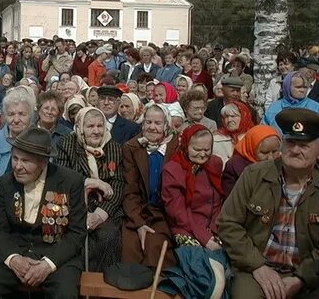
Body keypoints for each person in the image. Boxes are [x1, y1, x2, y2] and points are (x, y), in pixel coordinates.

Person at [218, 108, 319, 298]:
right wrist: (258, 266)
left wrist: (301, 278)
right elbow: (228, 223)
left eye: (304, 145)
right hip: (256, 267)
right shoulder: (254, 175)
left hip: (309, 273)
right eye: (290, 142)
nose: (295, 150)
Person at [0, 127, 87, 299]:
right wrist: (13, 259)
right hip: (16, 250)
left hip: (56, 254)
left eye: (26, 161)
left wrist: (48, 264)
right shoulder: (6, 182)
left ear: (43, 162)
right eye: (15, 159)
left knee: (65, 294)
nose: (18, 167)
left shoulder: (70, 181)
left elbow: (76, 234)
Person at [160, 124, 227, 297]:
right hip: (186, 228)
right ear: (186, 145)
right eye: (197, 149)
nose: (203, 154)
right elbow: (178, 212)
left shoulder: (215, 163)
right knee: (203, 275)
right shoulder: (173, 170)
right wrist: (205, 239)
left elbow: (218, 202)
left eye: (207, 149)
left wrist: (215, 230)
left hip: (214, 226)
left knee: (228, 272)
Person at [56, 107, 124, 270]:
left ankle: (103, 285)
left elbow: (118, 184)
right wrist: (92, 182)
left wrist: (99, 215)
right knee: (71, 236)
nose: (96, 131)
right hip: (73, 206)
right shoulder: (67, 144)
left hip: (104, 209)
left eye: (100, 126)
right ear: (80, 128)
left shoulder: (113, 147)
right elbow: (63, 180)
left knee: (108, 236)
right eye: (90, 126)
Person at [122, 103, 177, 268]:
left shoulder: (176, 146)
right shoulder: (131, 147)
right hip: (138, 211)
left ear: (166, 125)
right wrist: (138, 223)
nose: (152, 127)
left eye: (158, 123)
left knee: (155, 246)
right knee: (130, 247)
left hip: (164, 212)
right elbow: (129, 189)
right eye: (148, 122)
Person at [0, 86, 36, 182]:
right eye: (11, 114)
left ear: (30, 116)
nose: (16, 120)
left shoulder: (39, 142)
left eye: (22, 114)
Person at [222, 125, 281, 197]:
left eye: (274, 151)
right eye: (264, 152)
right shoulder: (235, 166)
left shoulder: (283, 164)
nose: (270, 158)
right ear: (251, 149)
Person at [213, 101, 255, 166]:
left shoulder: (253, 137)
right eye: (226, 117)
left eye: (233, 116)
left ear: (244, 117)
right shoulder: (215, 138)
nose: (229, 120)